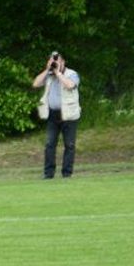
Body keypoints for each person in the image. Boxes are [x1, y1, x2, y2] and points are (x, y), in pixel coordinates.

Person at [32, 51, 81, 179]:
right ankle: (48, 174)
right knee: (49, 144)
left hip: (69, 114)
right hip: (53, 115)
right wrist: (47, 70)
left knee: (69, 145)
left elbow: (70, 85)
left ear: (63, 62)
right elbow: (35, 84)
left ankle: (67, 174)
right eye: (53, 61)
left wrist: (58, 73)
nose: (55, 64)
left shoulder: (72, 74)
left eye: (57, 61)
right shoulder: (49, 75)